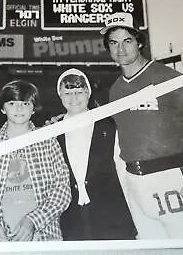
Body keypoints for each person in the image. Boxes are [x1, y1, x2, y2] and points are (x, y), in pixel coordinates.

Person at [101, 12, 183, 239]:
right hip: (135, 184)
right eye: (114, 42)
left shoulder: (165, 77)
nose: (120, 49)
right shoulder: (116, 89)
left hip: (171, 178)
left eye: (127, 41)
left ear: (139, 42)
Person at [0, 80, 71, 242]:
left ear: (33, 108)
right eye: (12, 103)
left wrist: (33, 221)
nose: (19, 108)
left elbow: (62, 192)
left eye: (26, 103)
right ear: (2, 108)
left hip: (44, 238)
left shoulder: (48, 141)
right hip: (0, 242)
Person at [55, 68, 137, 240]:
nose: (74, 98)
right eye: (67, 92)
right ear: (60, 95)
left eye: (79, 92)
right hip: (71, 218)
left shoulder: (109, 127)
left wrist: (134, 213)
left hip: (110, 214)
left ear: (88, 93)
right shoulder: (52, 132)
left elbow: (123, 172)